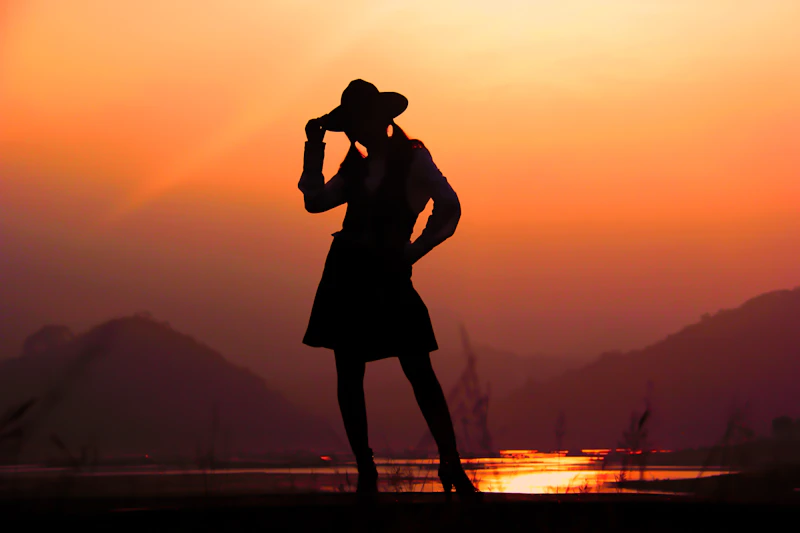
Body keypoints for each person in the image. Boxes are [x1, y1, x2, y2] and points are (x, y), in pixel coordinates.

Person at [298, 79, 480, 502]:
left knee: (419, 371)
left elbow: (450, 206)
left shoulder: (413, 159)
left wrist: (412, 252)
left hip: (388, 275)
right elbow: (315, 201)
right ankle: (366, 471)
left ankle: (450, 462)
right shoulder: (356, 168)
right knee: (349, 374)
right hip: (347, 274)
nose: (354, 130)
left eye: (358, 120)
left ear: (381, 119)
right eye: (350, 124)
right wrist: (314, 148)